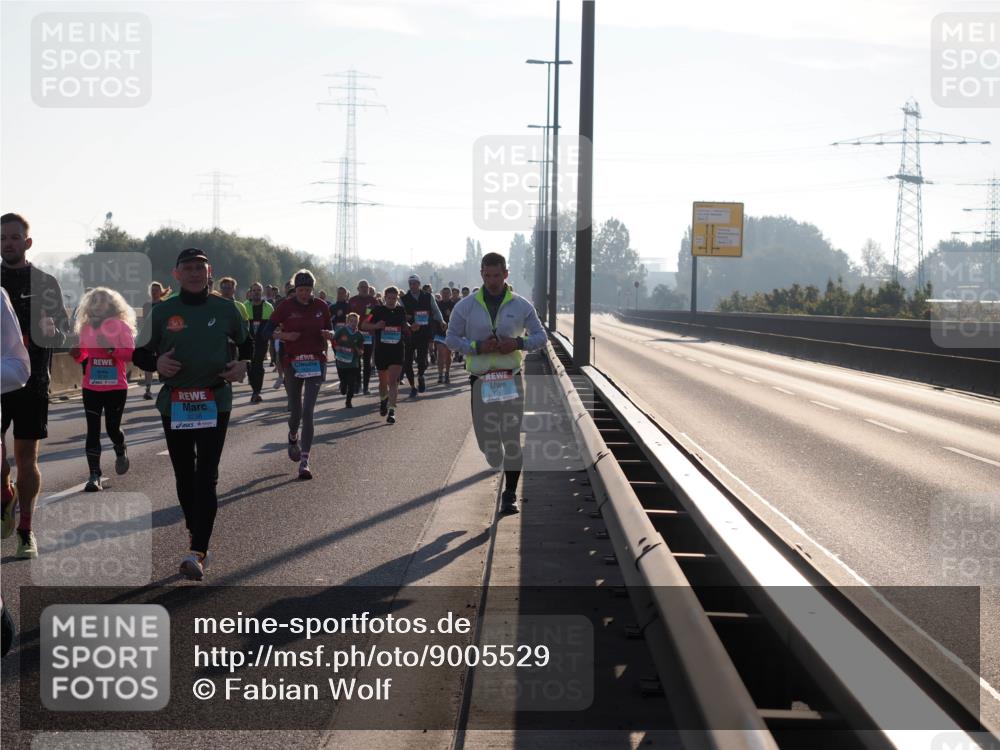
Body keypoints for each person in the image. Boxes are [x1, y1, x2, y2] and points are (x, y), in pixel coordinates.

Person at [132, 247, 250, 581]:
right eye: (189, 268)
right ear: (177, 274)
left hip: (215, 400)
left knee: (207, 475)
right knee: (185, 475)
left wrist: (244, 363)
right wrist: (156, 363)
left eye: (201, 267)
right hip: (177, 403)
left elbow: (250, 342)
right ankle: (195, 529)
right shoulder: (162, 311)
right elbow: (138, 353)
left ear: (209, 272)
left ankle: (198, 550)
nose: (196, 273)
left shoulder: (227, 309)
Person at [446, 252, 545, 515]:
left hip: (509, 377)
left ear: (506, 274)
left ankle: (510, 494)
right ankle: (493, 456)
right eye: (487, 276)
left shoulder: (521, 305)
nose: (492, 281)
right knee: (487, 443)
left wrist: (518, 343)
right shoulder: (465, 306)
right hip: (481, 380)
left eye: (497, 276)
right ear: (481, 274)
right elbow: (451, 338)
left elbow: (541, 337)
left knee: (511, 438)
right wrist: (476, 347)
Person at [0, 213, 70, 559]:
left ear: (27, 243)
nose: (7, 243)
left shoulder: (45, 283)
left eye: (14, 237)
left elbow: (64, 332)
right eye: (2, 238)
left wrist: (50, 330)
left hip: (32, 383)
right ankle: (3, 493)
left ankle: (26, 529)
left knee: (26, 458)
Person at [265, 270, 333, 480]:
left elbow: (330, 330)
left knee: (309, 412)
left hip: (315, 361)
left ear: (313, 289)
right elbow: (265, 331)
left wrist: (329, 335)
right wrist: (285, 335)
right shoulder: (285, 306)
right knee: (296, 412)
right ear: (295, 289)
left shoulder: (321, 306)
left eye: (308, 290)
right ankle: (293, 436)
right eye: (300, 290)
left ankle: (305, 460)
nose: (304, 294)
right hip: (292, 362)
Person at [69, 288, 135, 491]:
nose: (98, 305)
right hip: (92, 386)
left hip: (115, 386)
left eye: (103, 302)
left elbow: (130, 355)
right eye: (94, 302)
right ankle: (94, 475)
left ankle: (119, 446)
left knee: (112, 427)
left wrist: (111, 349)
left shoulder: (121, 327)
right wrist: (76, 354)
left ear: (111, 305)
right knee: (93, 429)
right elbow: (83, 356)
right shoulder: (87, 328)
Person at [363, 286, 409, 424]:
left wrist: (410, 326)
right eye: (389, 298)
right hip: (382, 351)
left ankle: (392, 411)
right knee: (383, 382)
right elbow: (364, 325)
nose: (391, 301)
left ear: (397, 299)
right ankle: (383, 400)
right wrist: (376, 326)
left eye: (394, 299)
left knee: (393, 381)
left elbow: (404, 323)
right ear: (384, 298)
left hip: (397, 350)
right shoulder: (376, 310)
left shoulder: (401, 310)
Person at [401, 274, 443, 397]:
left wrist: (441, 321)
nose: (412, 286)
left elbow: (435, 311)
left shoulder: (428, 296)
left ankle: (420, 375)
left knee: (422, 359)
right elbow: (401, 316)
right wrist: (409, 324)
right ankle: (413, 387)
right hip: (409, 334)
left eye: (415, 283)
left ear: (419, 284)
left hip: (424, 333)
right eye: (410, 284)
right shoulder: (404, 299)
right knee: (407, 362)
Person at [241, 282, 273, 404]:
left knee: (258, 365)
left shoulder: (269, 307)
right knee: (250, 365)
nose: (256, 292)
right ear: (250, 292)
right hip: (248, 342)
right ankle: (255, 390)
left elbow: (272, 325)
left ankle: (257, 391)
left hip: (262, 342)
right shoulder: (245, 306)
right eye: (254, 290)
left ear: (262, 292)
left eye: (258, 290)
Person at [348, 280, 378, 395]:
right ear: (358, 288)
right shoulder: (352, 301)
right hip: (354, 335)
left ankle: (366, 386)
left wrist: (369, 323)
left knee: (367, 361)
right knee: (356, 361)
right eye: (362, 287)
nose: (364, 289)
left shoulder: (373, 301)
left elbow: (376, 316)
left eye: (366, 287)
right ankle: (358, 384)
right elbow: (347, 318)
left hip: (369, 335)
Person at [141, 282, 170, 399]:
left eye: (156, 290)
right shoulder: (146, 305)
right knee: (148, 364)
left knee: (161, 361)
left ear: (160, 291)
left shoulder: (165, 305)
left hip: (162, 338)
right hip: (149, 338)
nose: (154, 292)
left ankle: (166, 387)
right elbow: (144, 322)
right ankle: (148, 389)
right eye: (152, 290)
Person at [333, 313, 365, 408]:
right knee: (343, 381)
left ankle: (348, 401)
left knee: (351, 383)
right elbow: (333, 339)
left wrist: (359, 351)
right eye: (351, 321)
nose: (353, 323)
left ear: (358, 323)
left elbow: (361, 350)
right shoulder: (342, 330)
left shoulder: (359, 335)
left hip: (353, 363)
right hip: (341, 361)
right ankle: (342, 385)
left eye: (355, 321)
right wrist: (336, 346)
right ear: (347, 322)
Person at [435, 286, 454, 384]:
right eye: (444, 293)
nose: (445, 295)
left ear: (450, 294)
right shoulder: (437, 305)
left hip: (450, 333)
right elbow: (434, 318)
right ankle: (440, 375)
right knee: (440, 353)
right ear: (441, 294)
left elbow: (457, 319)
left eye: (447, 293)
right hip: (439, 332)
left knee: (448, 354)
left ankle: (447, 372)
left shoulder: (454, 305)